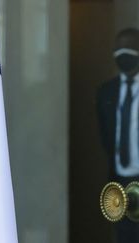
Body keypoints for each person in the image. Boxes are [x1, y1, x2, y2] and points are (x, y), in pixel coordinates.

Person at [97, 28, 139, 243]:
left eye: (129, 48)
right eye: (118, 49)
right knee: (124, 237)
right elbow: (106, 135)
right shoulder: (106, 92)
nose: (123, 54)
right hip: (119, 185)